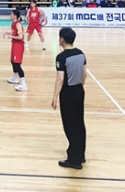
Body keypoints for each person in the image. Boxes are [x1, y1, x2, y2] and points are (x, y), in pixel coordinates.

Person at [51, 27, 87, 170]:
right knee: (79, 123)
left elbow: (60, 79)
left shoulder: (61, 57)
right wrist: (79, 86)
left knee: (70, 125)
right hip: (79, 90)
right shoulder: (81, 53)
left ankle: (74, 159)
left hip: (68, 92)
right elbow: (84, 74)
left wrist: (55, 97)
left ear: (62, 39)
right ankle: (80, 154)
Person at [3, 9, 28, 92]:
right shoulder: (13, 23)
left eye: (11, 14)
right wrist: (7, 32)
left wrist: (11, 37)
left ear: (15, 16)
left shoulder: (18, 24)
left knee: (17, 64)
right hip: (14, 44)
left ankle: (24, 84)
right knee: (12, 61)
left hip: (19, 45)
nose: (10, 15)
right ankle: (15, 78)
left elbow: (20, 37)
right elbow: (13, 32)